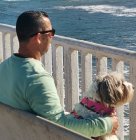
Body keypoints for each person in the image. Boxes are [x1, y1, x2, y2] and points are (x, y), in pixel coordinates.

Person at [0, 10, 118, 138]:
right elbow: (61, 127)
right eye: (50, 33)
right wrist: (107, 124)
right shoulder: (37, 79)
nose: (52, 38)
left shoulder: (4, 67)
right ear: (39, 38)